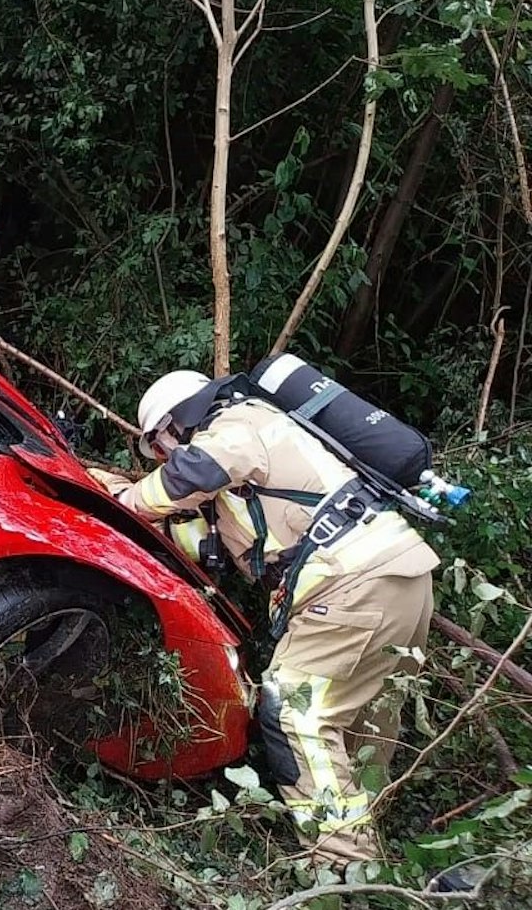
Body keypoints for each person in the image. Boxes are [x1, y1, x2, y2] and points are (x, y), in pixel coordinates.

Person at [89, 370, 440, 873]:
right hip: (400, 575)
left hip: (351, 583)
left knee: (296, 711)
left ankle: (342, 869)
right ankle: (367, 852)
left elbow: (194, 472)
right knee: (362, 726)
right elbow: (195, 542)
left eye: (161, 445)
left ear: (173, 424)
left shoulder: (239, 420)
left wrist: (123, 503)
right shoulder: (267, 445)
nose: (164, 457)